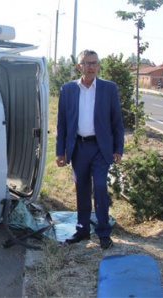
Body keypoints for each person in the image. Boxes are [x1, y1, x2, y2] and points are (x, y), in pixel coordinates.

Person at [55, 49, 124, 249]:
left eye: (95, 63)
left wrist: (118, 148)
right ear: (79, 67)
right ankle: (83, 229)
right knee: (82, 189)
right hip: (78, 148)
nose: (92, 66)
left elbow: (117, 121)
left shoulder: (108, 89)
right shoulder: (68, 90)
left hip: (101, 148)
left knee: (100, 186)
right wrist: (60, 151)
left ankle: (103, 232)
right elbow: (62, 123)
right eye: (87, 63)